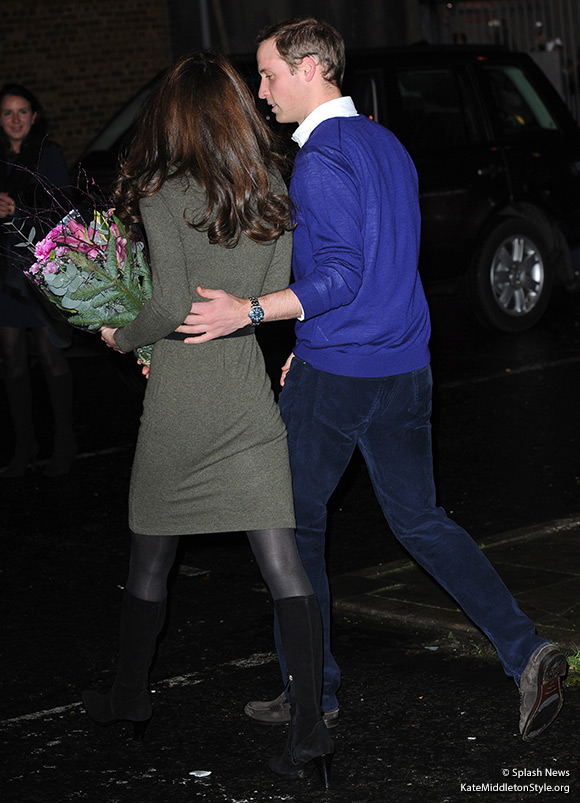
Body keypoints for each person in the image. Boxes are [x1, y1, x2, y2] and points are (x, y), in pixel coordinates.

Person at [175, 17, 567, 743]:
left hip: (343, 375)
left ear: (314, 67)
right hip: (406, 367)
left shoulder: (321, 160)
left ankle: (310, 694)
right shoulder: (388, 144)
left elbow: (341, 275)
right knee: (421, 519)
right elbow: (388, 267)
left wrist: (251, 311)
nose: (261, 92)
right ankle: (528, 649)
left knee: (292, 531)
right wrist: (309, 338)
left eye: (269, 74)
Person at [82, 51, 333, 789]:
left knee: (150, 557)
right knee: (283, 564)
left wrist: (122, 336)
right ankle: (311, 724)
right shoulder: (270, 190)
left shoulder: (163, 193)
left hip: (184, 393)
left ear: (174, 116)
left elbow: (165, 305)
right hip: (246, 388)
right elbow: (282, 284)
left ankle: (130, 699)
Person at [0, 83, 76, 477]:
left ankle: (64, 444)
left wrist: (20, 206)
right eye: (7, 113)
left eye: (22, 112)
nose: (15, 120)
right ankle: (23, 447)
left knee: (49, 356)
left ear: (34, 116)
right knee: (12, 362)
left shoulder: (47, 154)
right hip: (4, 274)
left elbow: (63, 204)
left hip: (39, 270)